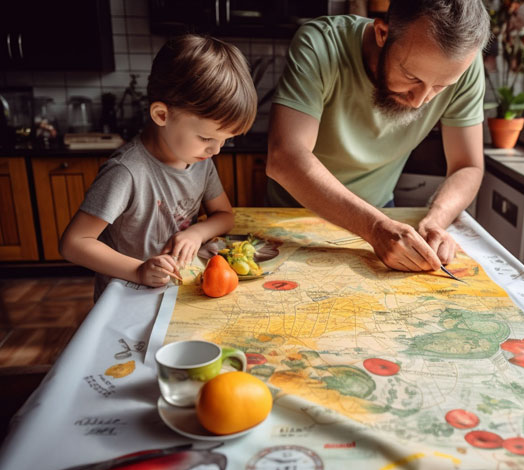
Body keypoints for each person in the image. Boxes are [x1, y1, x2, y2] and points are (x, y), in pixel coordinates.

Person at [266, 0, 489, 272]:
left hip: (383, 214)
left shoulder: (463, 66)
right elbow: (285, 156)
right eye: (411, 76)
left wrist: (435, 220)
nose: (420, 101)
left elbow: (468, 166)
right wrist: (373, 226)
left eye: (440, 87)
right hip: (295, 214)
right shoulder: (321, 43)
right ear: (382, 33)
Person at [60, 35, 257, 300]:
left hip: (173, 294)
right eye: (207, 138)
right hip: (126, 297)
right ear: (161, 115)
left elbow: (224, 215)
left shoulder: (200, 161)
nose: (216, 150)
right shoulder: (126, 172)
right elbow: (74, 244)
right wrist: (139, 270)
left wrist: (195, 233)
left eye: (225, 140)